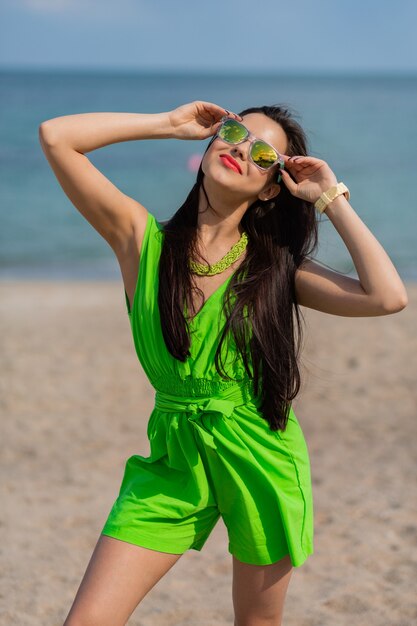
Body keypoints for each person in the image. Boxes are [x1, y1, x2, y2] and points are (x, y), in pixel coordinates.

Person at [39, 100, 408, 626]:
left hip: (259, 453)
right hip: (173, 458)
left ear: (270, 188)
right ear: (211, 140)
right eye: (234, 132)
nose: (240, 148)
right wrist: (165, 125)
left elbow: (388, 296)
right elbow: (57, 136)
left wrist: (329, 195)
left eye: (262, 154)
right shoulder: (142, 242)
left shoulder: (278, 270)